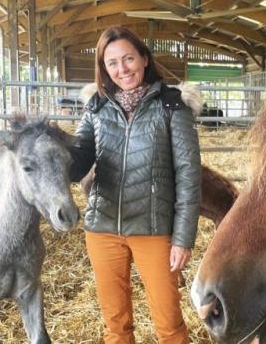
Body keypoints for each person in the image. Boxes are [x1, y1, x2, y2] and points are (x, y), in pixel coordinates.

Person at [69, 26, 202, 344]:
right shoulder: (97, 108)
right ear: (104, 68)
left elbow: (188, 175)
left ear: (143, 58)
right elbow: (77, 163)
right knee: (115, 325)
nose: (122, 69)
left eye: (128, 58)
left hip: (153, 229)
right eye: (112, 62)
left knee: (168, 323)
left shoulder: (172, 105)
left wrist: (182, 238)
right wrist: (48, 153)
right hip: (102, 229)